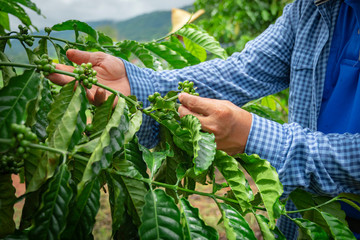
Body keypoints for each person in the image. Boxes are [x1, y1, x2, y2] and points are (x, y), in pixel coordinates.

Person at [49, 0, 360, 238]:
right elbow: (243, 71)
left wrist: (254, 135)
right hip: (303, 222)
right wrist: (138, 84)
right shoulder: (310, 10)